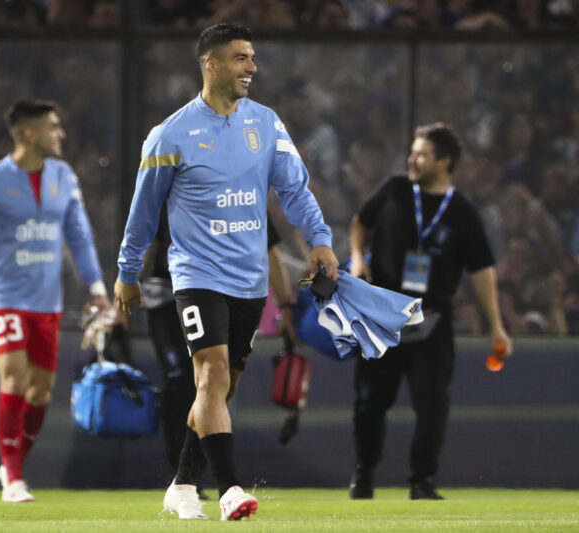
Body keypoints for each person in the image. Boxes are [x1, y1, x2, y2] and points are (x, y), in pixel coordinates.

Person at [114, 23, 338, 521]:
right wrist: (127, 271)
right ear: (210, 63)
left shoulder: (267, 124)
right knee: (211, 374)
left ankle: (181, 484)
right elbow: (144, 214)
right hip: (195, 275)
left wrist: (319, 240)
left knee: (221, 388)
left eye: (253, 58)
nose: (252, 68)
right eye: (241, 58)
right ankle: (231, 488)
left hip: (248, 280)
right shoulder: (169, 135)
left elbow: (295, 191)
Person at [0, 98, 110, 503]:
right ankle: (14, 479)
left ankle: (11, 461)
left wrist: (98, 288)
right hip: (4, 298)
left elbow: (80, 237)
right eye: (54, 127)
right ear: (30, 134)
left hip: (47, 302)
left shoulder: (64, 177)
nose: (61, 134)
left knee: (41, 394)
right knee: (13, 376)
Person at [348, 122, 512, 500]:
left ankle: (422, 481)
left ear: (444, 161)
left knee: (433, 404)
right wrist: (358, 257)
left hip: (431, 322)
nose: (412, 159)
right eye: (413, 152)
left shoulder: (462, 213)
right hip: (382, 319)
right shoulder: (394, 190)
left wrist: (496, 326)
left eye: (421, 154)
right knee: (369, 401)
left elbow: (482, 270)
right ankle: (364, 474)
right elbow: (361, 222)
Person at [141, 210, 295, 496]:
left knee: (221, 383)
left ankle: (184, 480)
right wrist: (125, 281)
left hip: (230, 292)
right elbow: (145, 237)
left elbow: (270, 249)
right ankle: (222, 487)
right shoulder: (172, 182)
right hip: (171, 291)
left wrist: (285, 304)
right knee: (186, 381)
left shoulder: (247, 188)